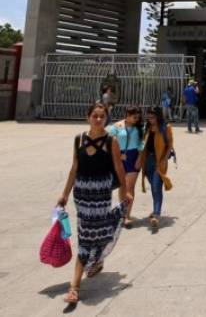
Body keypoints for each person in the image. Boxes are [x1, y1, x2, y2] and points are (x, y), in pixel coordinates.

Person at [57, 103, 132, 304]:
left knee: (99, 232)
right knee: (85, 237)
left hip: (101, 197)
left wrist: (126, 193)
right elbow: (74, 169)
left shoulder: (111, 141)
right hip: (82, 197)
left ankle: (96, 260)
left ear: (106, 119)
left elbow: (119, 169)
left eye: (102, 116)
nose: (98, 120)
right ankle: (74, 288)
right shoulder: (78, 140)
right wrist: (64, 194)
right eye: (95, 116)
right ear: (87, 117)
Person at [108, 106, 144, 228]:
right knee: (122, 187)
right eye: (134, 117)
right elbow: (107, 140)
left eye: (138, 117)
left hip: (134, 158)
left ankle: (127, 215)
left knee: (130, 188)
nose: (136, 119)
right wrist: (116, 154)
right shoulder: (116, 126)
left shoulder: (140, 128)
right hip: (120, 158)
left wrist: (139, 158)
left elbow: (142, 143)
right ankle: (122, 213)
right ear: (127, 115)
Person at [139, 107, 174, 228]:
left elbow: (170, 144)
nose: (150, 119)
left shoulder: (165, 128)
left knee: (156, 186)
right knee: (154, 187)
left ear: (158, 116)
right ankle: (155, 210)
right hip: (147, 161)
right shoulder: (147, 127)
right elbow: (142, 143)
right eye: (148, 117)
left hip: (159, 161)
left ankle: (157, 214)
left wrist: (165, 158)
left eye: (152, 117)